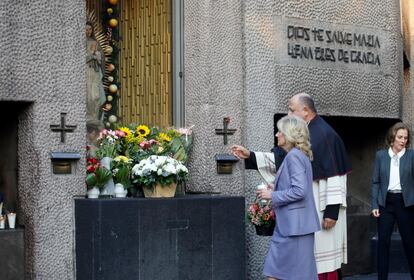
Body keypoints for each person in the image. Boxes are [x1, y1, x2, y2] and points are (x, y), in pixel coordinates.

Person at [232, 93, 351, 279]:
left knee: (315, 263)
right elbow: (283, 162)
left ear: (305, 111)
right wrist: (251, 156)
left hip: (319, 209)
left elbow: (334, 174)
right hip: (302, 214)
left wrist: (332, 210)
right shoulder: (299, 144)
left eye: (291, 109)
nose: (288, 113)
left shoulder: (326, 135)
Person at [234, 115, 320, 279]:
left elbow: (300, 190)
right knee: (283, 274)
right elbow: (299, 187)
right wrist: (277, 187)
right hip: (295, 226)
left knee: (277, 274)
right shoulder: (299, 155)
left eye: (280, 131)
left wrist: (273, 194)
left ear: (289, 134)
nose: (276, 135)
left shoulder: (294, 156)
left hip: (294, 228)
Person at [371, 122, 414, 280]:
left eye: (405, 138)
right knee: (383, 243)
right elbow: (375, 181)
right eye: (400, 137)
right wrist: (374, 204)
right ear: (392, 138)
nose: (403, 141)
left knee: (410, 244)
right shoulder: (381, 155)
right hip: (385, 203)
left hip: (406, 203)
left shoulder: (411, 155)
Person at [85, 21, 106, 127]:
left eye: (90, 29)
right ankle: (87, 118)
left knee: (95, 96)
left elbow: (101, 60)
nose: (88, 31)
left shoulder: (96, 43)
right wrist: (91, 54)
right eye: (86, 29)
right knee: (87, 96)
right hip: (85, 73)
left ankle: (94, 117)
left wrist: (97, 55)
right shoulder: (80, 43)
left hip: (95, 73)